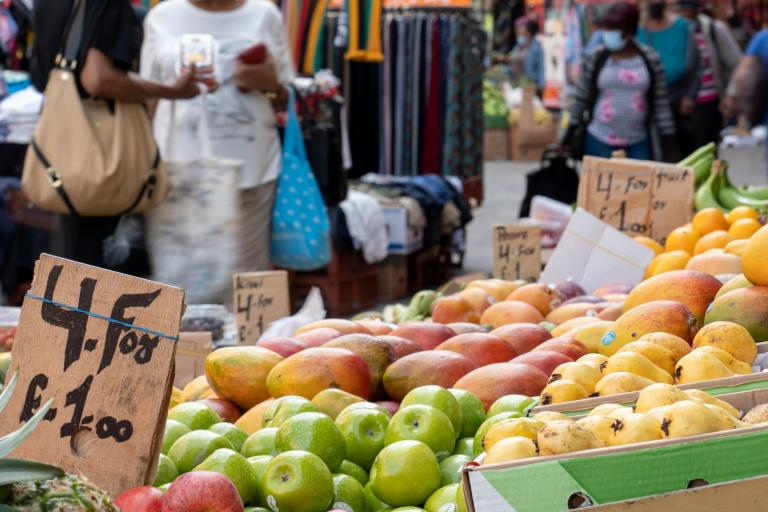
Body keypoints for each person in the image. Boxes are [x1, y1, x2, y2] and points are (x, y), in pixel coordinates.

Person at [29, 0, 203, 273]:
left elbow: (41, 74)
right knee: (106, 278)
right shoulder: (110, 5)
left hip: (64, 152)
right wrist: (171, 91)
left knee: (73, 270)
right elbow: (98, 79)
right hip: (104, 154)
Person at [140, 0, 294, 273]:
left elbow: (286, 97)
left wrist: (269, 84)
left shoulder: (264, 14)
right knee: (178, 283)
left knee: (246, 282)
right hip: (177, 177)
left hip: (251, 175)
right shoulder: (162, 16)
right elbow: (148, 98)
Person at [561, 2, 678, 162]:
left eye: (614, 29)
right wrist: (569, 132)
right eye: (607, 28)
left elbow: (660, 104)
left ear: (629, 31)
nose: (609, 33)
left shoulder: (650, 59)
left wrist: (669, 142)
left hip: (638, 142)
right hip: (599, 140)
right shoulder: (597, 57)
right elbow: (581, 97)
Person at [638, 0, 701, 156]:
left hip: (677, 103)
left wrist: (689, 96)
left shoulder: (682, 26)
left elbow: (697, 66)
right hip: (645, 107)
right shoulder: (636, 29)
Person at [677, 0, 742, 147]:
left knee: (707, 151)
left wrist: (730, 96)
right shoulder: (674, 31)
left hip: (709, 103)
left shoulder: (713, 29)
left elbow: (736, 64)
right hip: (679, 104)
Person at [508, 17, 545, 93]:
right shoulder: (517, 47)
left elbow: (541, 68)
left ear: (528, 32)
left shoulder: (536, 48)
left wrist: (540, 86)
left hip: (529, 87)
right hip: (515, 85)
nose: (517, 32)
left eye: (520, 29)